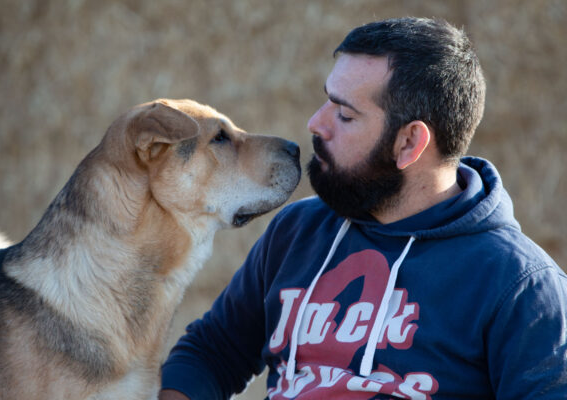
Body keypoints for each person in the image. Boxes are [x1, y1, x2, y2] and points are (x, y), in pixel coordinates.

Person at [159, 17, 567, 399]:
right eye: (326, 102)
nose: (316, 123)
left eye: (345, 114)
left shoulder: (521, 286)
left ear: (409, 143)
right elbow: (210, 353)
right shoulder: (297, 230)